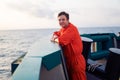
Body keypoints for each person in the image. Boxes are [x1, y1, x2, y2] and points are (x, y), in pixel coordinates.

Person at [51, 11, 86, 80]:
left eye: (63, 19)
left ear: (68, 20)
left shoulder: (71, 29)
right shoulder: (63, 29)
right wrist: (55, 36)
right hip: (69, 61)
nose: (61, 21)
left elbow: (60, 40)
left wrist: (54, 39)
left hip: (76, 61)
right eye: (59, 20)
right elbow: (55, 33)